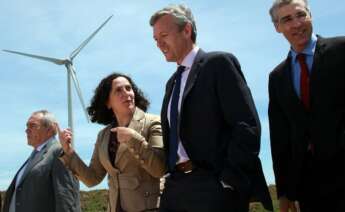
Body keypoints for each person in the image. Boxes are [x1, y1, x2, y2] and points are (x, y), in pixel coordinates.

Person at [150, 4, 273, 212]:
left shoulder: (218, 64)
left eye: (163, 35)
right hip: (175, 189)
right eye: (155, 39)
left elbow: (247, 125)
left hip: (213, 188)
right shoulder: (171, 83)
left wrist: (228, 182)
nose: (159, 43)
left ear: (186, 30)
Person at [268, 0, 345, 211]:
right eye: (287, 19)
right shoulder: (277, 77)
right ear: (277, 27)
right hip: (310, 186)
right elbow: (280, 138)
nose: (296, 24)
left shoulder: (341, 49)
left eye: (301, 15)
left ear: (310, 15)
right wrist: (284, 192)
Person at [59, 72, 166, 212]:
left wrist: (133, 139)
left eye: (129, 88)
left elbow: (159, 168)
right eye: (118, 90)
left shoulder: (153, 122)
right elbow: (92, 178)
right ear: (108, 102)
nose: (126, 93)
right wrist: (69, 152)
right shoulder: (103, 136)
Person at [2, 110, 81, 212]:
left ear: (50, 129)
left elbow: (66, 198)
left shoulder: (60, 152)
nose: (27, 130)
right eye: (27, 126)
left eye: (32, 126)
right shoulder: (34, 156)